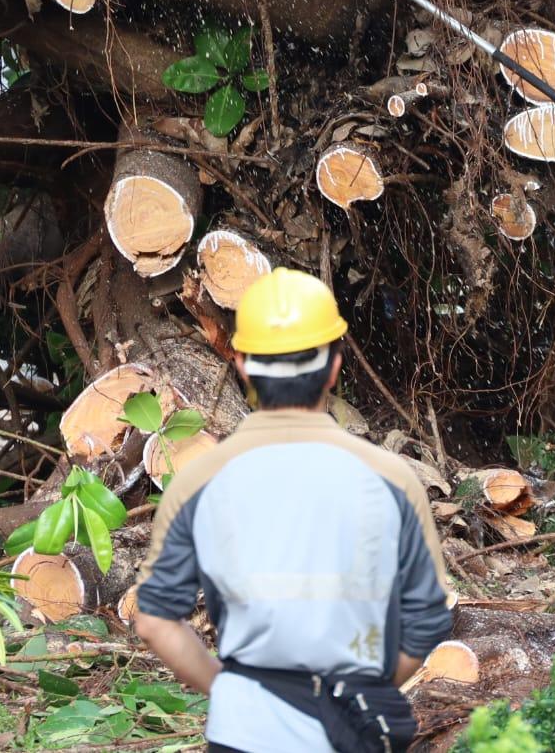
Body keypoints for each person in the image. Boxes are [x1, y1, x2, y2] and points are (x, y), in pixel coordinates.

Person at [133, 268, 452, 753]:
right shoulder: (392, 479)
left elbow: (155, 619)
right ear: (334, 366)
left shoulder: (199, 482)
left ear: (240, 362)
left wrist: (230, 689)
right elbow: (428, 620)